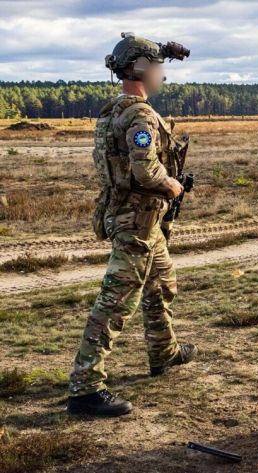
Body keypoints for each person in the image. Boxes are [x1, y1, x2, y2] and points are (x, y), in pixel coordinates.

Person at [67, 33, 197, 417]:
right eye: (157, 67)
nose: (161, 75)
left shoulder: (114, 110)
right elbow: (145, 169)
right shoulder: (140, 115)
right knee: (116, 302)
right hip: (136, 219)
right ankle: (85, 388)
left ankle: (164, 351)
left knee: (162, 282)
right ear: (141, 69)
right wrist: (171, 184)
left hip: (141, 219)